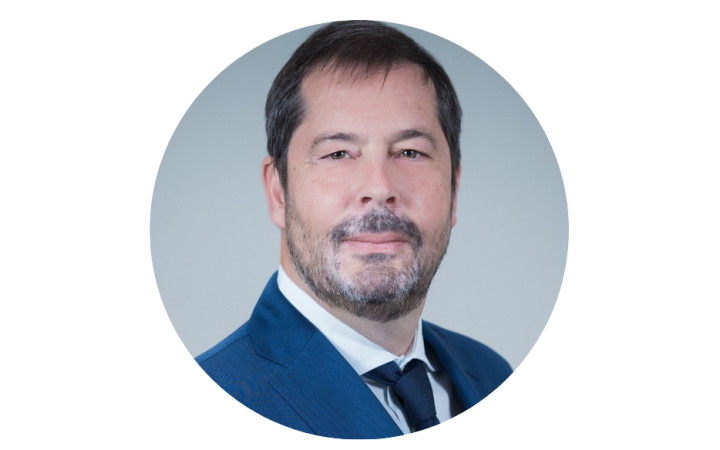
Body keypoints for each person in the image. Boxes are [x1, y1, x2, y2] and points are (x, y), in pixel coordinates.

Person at [196, 21, 512, 438]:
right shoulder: (227, 387)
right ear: (278, 192)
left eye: (410, 152)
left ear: (453, 190)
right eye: (339, 153)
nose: (379, 188)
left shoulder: (492, 374)